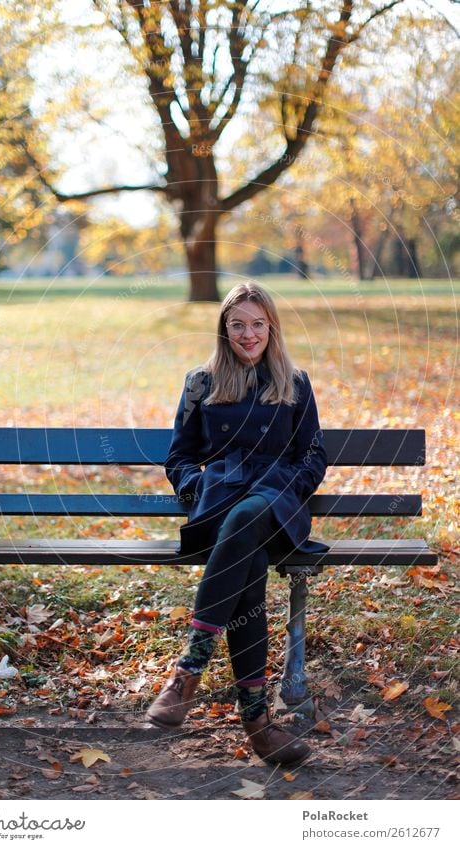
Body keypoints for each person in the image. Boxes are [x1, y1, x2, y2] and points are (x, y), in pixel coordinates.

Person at [145, 281, 329, 766]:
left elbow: (314, 453)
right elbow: (180, 457)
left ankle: (189, 669)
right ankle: (259, 726)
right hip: (220, 503)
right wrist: (197, 489)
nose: (249, 335)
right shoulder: (201, 383)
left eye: (258, 324)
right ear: (225, 330)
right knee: (246, 580)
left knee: (249, 516)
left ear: (272, 327)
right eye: (238, 325)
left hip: (275, 504)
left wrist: (289, 488)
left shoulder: (296, 382)